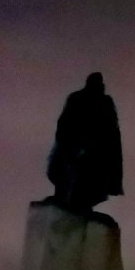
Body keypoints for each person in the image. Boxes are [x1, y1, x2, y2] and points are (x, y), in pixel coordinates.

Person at [46, 72, 124, 212]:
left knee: (88, 183)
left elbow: (111, 131)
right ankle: (68, 201)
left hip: (94, 152)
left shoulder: (104, 102)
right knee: (68, 179)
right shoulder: (77, 99)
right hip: (73, 148)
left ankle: (80, 204)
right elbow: (64, 124)